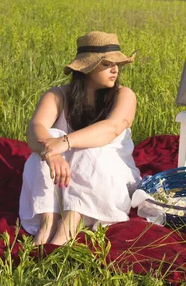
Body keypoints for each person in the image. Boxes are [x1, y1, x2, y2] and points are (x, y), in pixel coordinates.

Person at [19, 31, 141, 246]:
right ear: (87, 68)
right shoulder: (58, 95)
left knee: (90, 148)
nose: (115, 69)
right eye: (107, 64)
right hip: (61, 182)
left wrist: (64, 143)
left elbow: (111, 128)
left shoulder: (124, 95)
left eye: (117, 64)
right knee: (47, 140)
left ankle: (67, 228)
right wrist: (50, 152)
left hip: (108, 179)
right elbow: (34, 128)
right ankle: (47, 223)